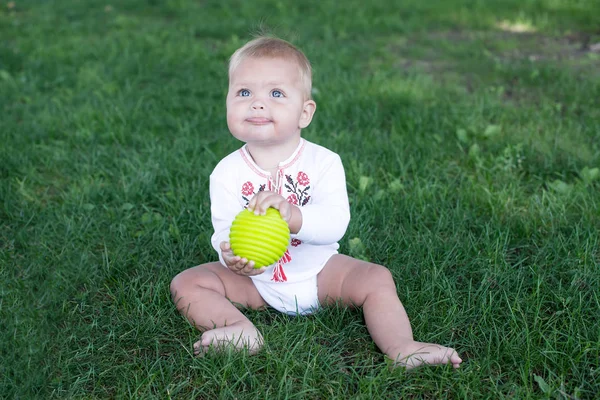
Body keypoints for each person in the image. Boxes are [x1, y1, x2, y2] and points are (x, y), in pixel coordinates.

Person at [170, 36, 462, 369]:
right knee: (187, 283)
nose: (257, 103)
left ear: (304, 113)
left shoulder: (323, 162)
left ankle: (402, 347)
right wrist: (230, 252)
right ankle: (240, 330)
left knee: (376, 278)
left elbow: (336, 223)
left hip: (320, 273)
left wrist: (294, 216)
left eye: (276, 93)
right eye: (244, 92)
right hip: (257, 282)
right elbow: (223, 226)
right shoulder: (226, 172)